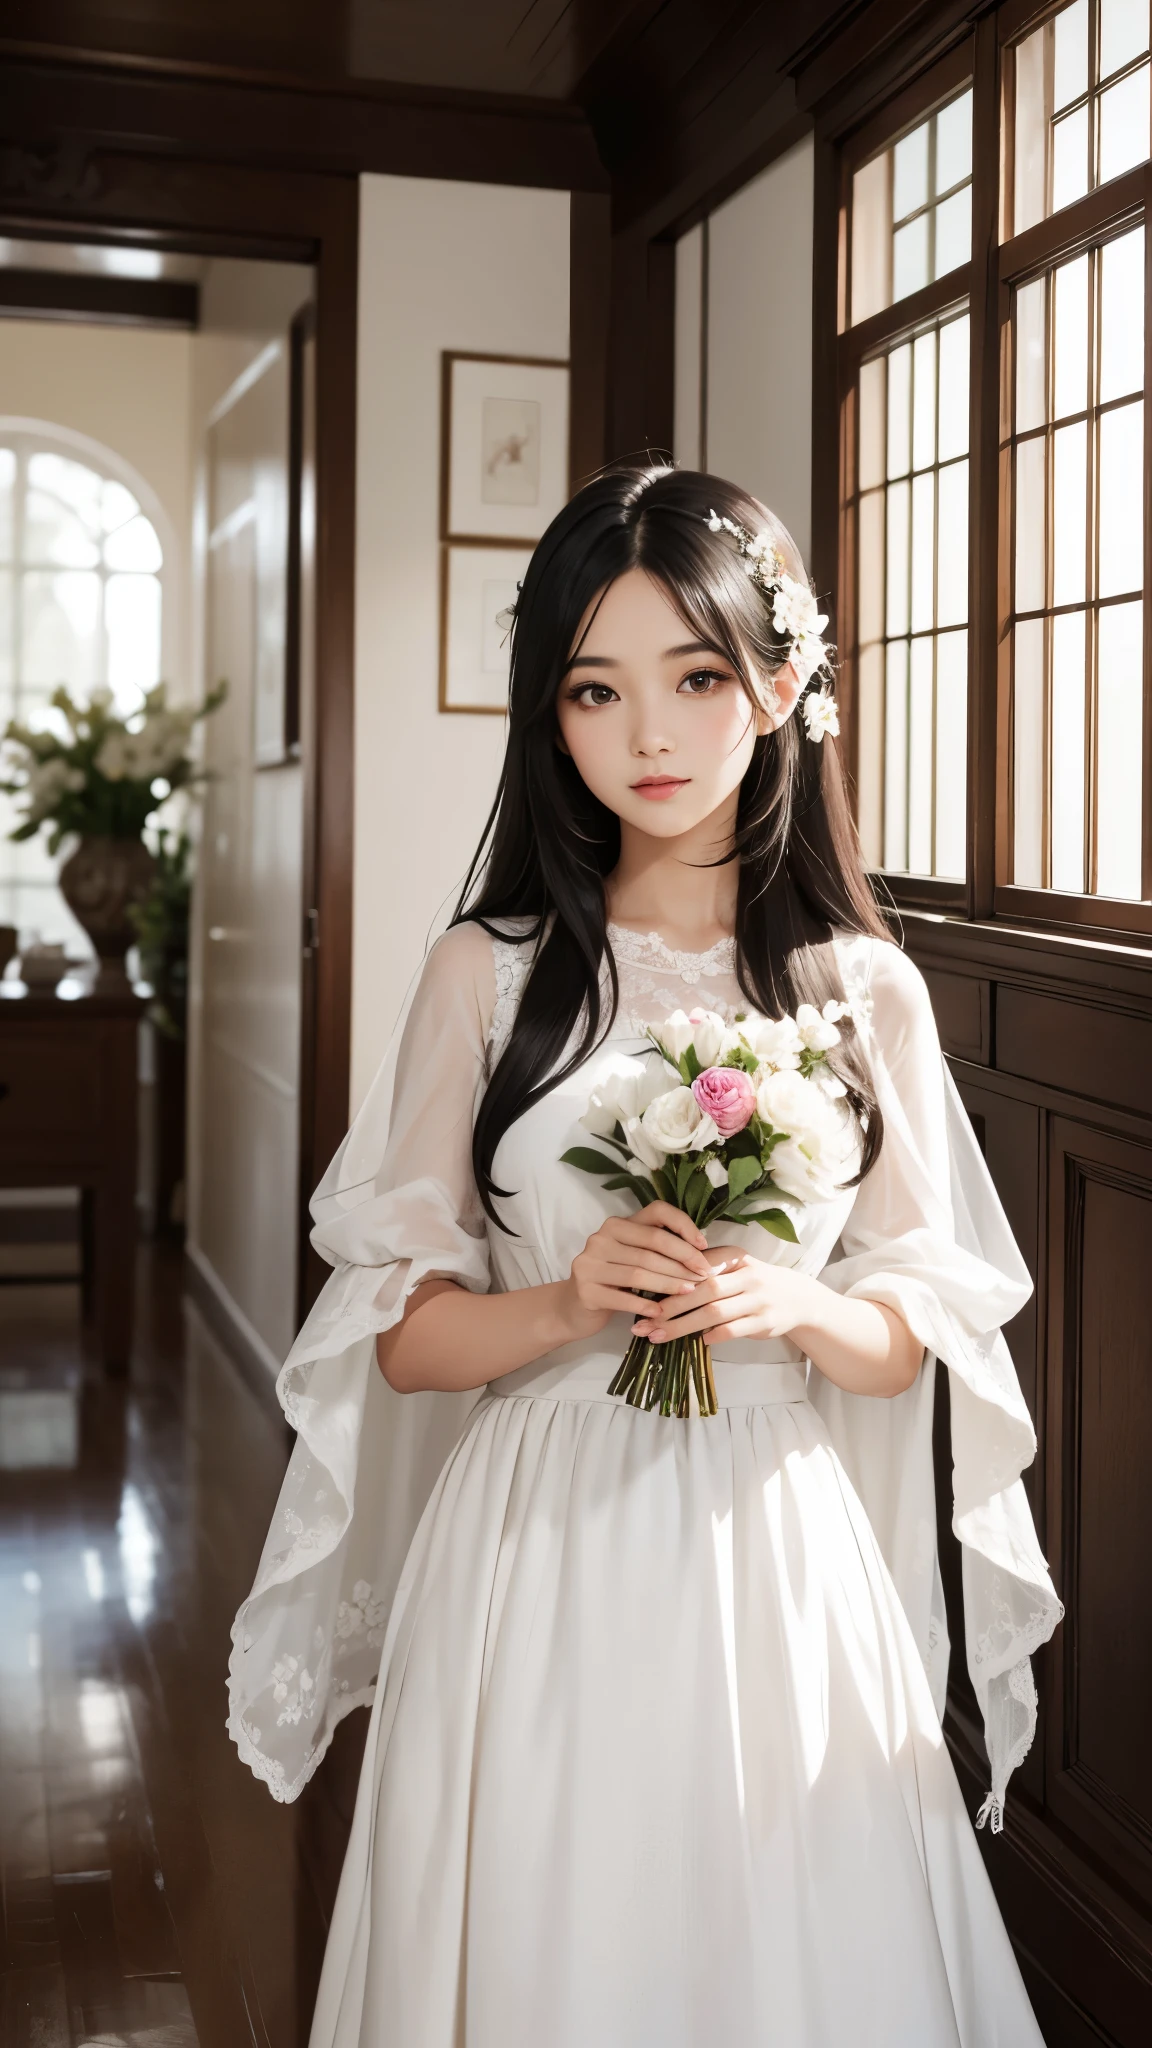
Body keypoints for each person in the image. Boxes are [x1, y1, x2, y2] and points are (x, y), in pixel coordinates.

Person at [229, 465, 1062, 2045]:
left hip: (773, 1545)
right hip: (533, 1536)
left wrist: (798, 1305)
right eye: (598, 690)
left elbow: (917, 1334)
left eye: (695, 676)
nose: (653, 738)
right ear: (554, 717)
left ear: (785, 686)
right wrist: (559, 1298)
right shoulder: (487, 971)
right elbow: (400, 1334)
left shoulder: (861, 989)